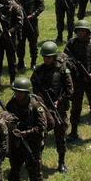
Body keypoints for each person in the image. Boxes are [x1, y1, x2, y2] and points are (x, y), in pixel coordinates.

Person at [31, 40, 73, 173]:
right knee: (39, 137)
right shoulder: (38, 71)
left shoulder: (62, 70)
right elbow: (33, 88)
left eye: (48, 57)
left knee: (60, 136)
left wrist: (59, 101)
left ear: (54, 57)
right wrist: (40, 100)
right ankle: (37, 162)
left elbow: (70, 90)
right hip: (43, 109)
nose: (46, 59)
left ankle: (61, 162)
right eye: (44, 57)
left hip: (59, 109)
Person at [5, 76, 47, 181]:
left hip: (32, 143)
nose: (17, 94)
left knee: (34, 169)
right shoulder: (11, 104)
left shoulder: (35, 106)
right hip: (17, 142)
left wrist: (25, 133)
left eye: (20, 92)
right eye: (16, 91)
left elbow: (42, 127)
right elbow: (6, 120)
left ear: (27, 92)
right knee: (14, 167)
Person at [64, 19, 91, 143]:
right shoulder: (71, 44)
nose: (81, 34)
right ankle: (74, 132)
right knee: (76, 107)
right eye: (79, 31)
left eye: (83, 31)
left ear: (88, 32)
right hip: (77, 81)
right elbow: (64, 58)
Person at [14, 0, 45, 69]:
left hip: (32, 21)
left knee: (33, 44)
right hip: (20, 22)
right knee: (20, 44)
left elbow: (41, 6)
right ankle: (21, 62)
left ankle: (33, 62)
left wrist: (33, 15)